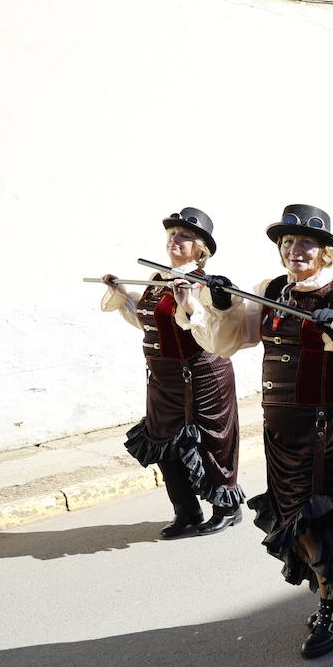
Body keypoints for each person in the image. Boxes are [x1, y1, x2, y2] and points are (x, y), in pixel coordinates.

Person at [188, 205, 333, 659]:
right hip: (279, 427)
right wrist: (221, 303)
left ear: (325, 253)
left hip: (326, 428)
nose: (294, 251)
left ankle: (331, 607)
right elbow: (228, 340)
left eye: (304, 244)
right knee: (293, 515)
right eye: (287, 243)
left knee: (314, 517)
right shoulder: (268, 290)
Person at [101, 208, 243, 539]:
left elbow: (219, 322)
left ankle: (227, 508)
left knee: (211, 442)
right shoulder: (155, 279)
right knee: (162, 442)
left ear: (201, 249)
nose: (174, 240)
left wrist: (192, 299)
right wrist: (121, 292)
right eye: (171, 235)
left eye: (184, 236)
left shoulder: (207, 285)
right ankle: (186, 511)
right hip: (162, 378)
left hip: (201, 374)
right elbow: (146, 321)